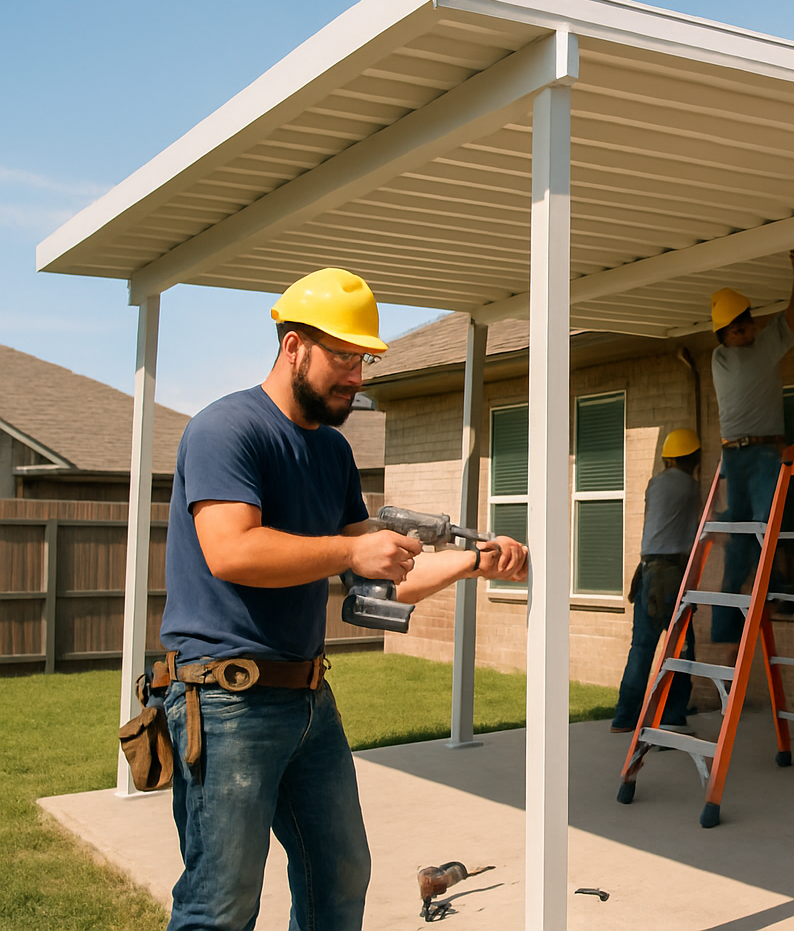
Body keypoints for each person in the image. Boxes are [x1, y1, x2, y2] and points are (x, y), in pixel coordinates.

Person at [156, 267, 528, 931]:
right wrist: (350, 551)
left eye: (363, 360)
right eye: (343, 357)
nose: (356, 375)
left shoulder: (331, 451)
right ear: (293, 345)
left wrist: (473, 562)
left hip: (307, 702)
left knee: (340, 876)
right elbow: (232, 550)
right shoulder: (227, 429)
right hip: (225, 699)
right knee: (222, 900)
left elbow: (378, 570)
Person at [709, 249, 794, 646]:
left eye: (747, 325)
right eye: (736, 329)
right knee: (752, 534)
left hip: (755, 453)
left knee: (764, 530)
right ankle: (738, 619)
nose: (745, 333)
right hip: (746, 455)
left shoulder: (746, 350)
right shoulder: (735, 356)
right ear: (723, 335)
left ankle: (773, 599)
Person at [611, 429, 705, 733]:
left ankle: (624, 717)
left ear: (668, 458)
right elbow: (699, 529)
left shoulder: (655, 484)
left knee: (641, 647)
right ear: (692, 458)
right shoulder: (690, 488)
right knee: (682, 647)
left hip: (648, 569)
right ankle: (672, 716)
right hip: (671, 574)